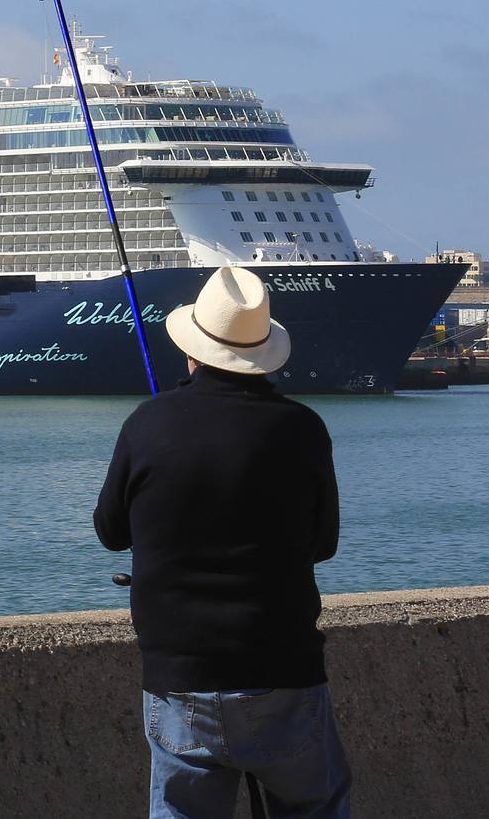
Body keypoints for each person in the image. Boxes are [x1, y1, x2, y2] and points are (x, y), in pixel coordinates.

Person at [93, 266, 352, 818]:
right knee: (314, 806)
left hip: (179, 676)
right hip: (284, 670)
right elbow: (323, 543)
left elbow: (110, 531)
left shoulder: (148, 423)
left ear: (191, 350)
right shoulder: (303, 427)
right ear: (261, 352)